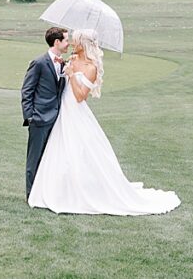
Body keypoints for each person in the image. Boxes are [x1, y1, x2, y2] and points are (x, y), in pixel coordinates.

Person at [27, 28, 181, 215]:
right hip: (60, 111)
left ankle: (80, 191)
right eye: (71, 40)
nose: (72, 44)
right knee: (59, 151)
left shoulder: (91, 67)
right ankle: (54, 189)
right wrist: (66, 68)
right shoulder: (72, 59)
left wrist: (71, 75)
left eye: (75, 41)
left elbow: (80, 96)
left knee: (79, 151)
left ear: (83, 44)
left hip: (75, 110)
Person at [21, 26, 69, 199]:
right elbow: (27, 90)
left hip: (56, 119)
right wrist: (30, 117)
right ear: (57, 42)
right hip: (39, 119)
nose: (68, 43)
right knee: (34, 160)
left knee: (50, 159)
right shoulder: (39, 63)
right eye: (66, 40)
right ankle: (31, 195)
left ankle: (45, 193)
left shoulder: (64, 63)